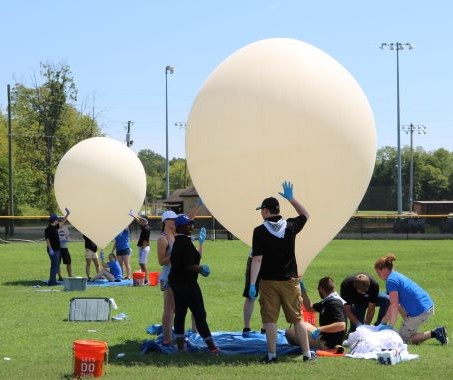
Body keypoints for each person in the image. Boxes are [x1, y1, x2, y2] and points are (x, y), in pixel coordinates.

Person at [249, 181, 314, 363]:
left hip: (268, 281)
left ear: (266, 210)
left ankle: (271, 355)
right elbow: (305, 214)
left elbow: (257, 259)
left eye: (262, 210)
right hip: (290, 281)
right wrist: (292, 198)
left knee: (270, 320)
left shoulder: (259, 231)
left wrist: (253, 284)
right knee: (297, 318)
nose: (261, 213)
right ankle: (307, 354)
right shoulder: (291, 226)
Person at [168, 214, 218, 354]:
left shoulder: (181, 241)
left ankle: (181, 347)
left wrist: (200, 244)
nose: (191, 226)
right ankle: (212, 348)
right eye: (188, 224)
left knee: (180, 313)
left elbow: (192, 259)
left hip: (177, 283)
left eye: (191, 223)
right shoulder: (183, 242)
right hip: (187, 284)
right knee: (199, 313)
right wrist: (201, 269)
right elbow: (189, 265)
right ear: (180, 227)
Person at [374, 253, 448, 345]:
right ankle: (408, 323)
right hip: (427, 304)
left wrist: (391, 326)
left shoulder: (391, 281)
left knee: (403, 340)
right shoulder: (395, 275)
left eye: (378, 272)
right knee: (397, 305)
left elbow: (393, 305)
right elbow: (395, 304)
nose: (378, 275)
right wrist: (382, 323)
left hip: (421, 310)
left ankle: (436, 333)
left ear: (384, 270)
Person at [156, 202, 203, 345]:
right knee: (170, 309)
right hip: (169, 278)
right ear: (166, 222)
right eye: (173, 220)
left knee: (194, 305)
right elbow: (161, 261)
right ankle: (167, 339)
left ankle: (196, 333)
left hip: (182, 276)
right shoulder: (162, 239)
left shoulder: (177, 235)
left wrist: (198, 204)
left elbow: (189, 218)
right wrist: (178, 255)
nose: (176, 221)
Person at [286, 277, 346, 350]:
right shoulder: (329, 300)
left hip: (326, 343)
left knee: (289, 333)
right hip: (327, 337)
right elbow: (309, 307)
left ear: (321, 289)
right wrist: (302, 289)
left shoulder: (334, 304)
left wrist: (319, 329)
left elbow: (341, 325)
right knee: (303, 325)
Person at [242, 249, 264, 335]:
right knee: (250, 297)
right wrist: (252, 284)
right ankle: (246, 328)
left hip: (272, 262)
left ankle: (265, 327)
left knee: (268, 297)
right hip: (255, 259)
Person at [130, 213, 151, 284]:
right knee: (141, 263)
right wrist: (133, 216)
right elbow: (139, 221)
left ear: (145, 221)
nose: (140, 221)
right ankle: (144, 278)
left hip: (144, 248)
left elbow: (145, 241)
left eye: (142, 220)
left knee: (142, 263)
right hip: (142, 247)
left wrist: (142, 249)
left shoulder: (146, 229)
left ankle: (146, 280)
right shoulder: (144, 226)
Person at [44, 213, 61, 286]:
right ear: (54, 220)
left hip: (57, 249)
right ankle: (52, 282)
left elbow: (62, 222)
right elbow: (47, 240)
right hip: (53, 250)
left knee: (56, 265)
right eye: (57, 220)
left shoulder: (55, 227)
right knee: (55, 265)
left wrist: (67, 215)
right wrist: (50, 249)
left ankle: (53, 280)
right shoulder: (48, 229)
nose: (58, 221)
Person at [57, 210, 72, 280]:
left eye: (61, 221)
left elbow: (68, 237)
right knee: (58, 263)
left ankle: (70, 276)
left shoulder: (65, 229)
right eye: (59, 221)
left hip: (65, 248)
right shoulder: (56, 229)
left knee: (68, 262)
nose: (60, 222)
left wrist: (66, 240)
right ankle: (60, 276)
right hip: (58, 248)